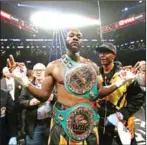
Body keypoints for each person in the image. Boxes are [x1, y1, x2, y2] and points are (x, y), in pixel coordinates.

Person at [7, 29, 135, 145]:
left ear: (82, 42)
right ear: (66, 39)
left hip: (87, 122)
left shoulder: (92, 66)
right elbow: (44, 96)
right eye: (71, 35)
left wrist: (121, 81)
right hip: (62, 123)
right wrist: (23, 80)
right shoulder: (54, 66)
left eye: (79, 36)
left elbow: (98, 93)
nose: (75, 38)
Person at [95, 42, 144, 145]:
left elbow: (138, 98)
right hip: (99, 124)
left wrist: (122, 114)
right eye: (100, 52)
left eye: (106, 52)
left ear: (114, 55)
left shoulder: (126, 75)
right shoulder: (95, 75)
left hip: (121, 123)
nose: (102, 55)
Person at [18, 63, 52, 145]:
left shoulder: (52, 85)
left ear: (46, 72)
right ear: (33, 72)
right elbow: (20, 101)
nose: (39, 72)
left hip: (50, 123)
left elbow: (59, 98)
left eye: (41, 70)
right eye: (36, 70)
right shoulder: (28, 85)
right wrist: (30, 102)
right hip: (35, 124)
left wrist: (53, 97)